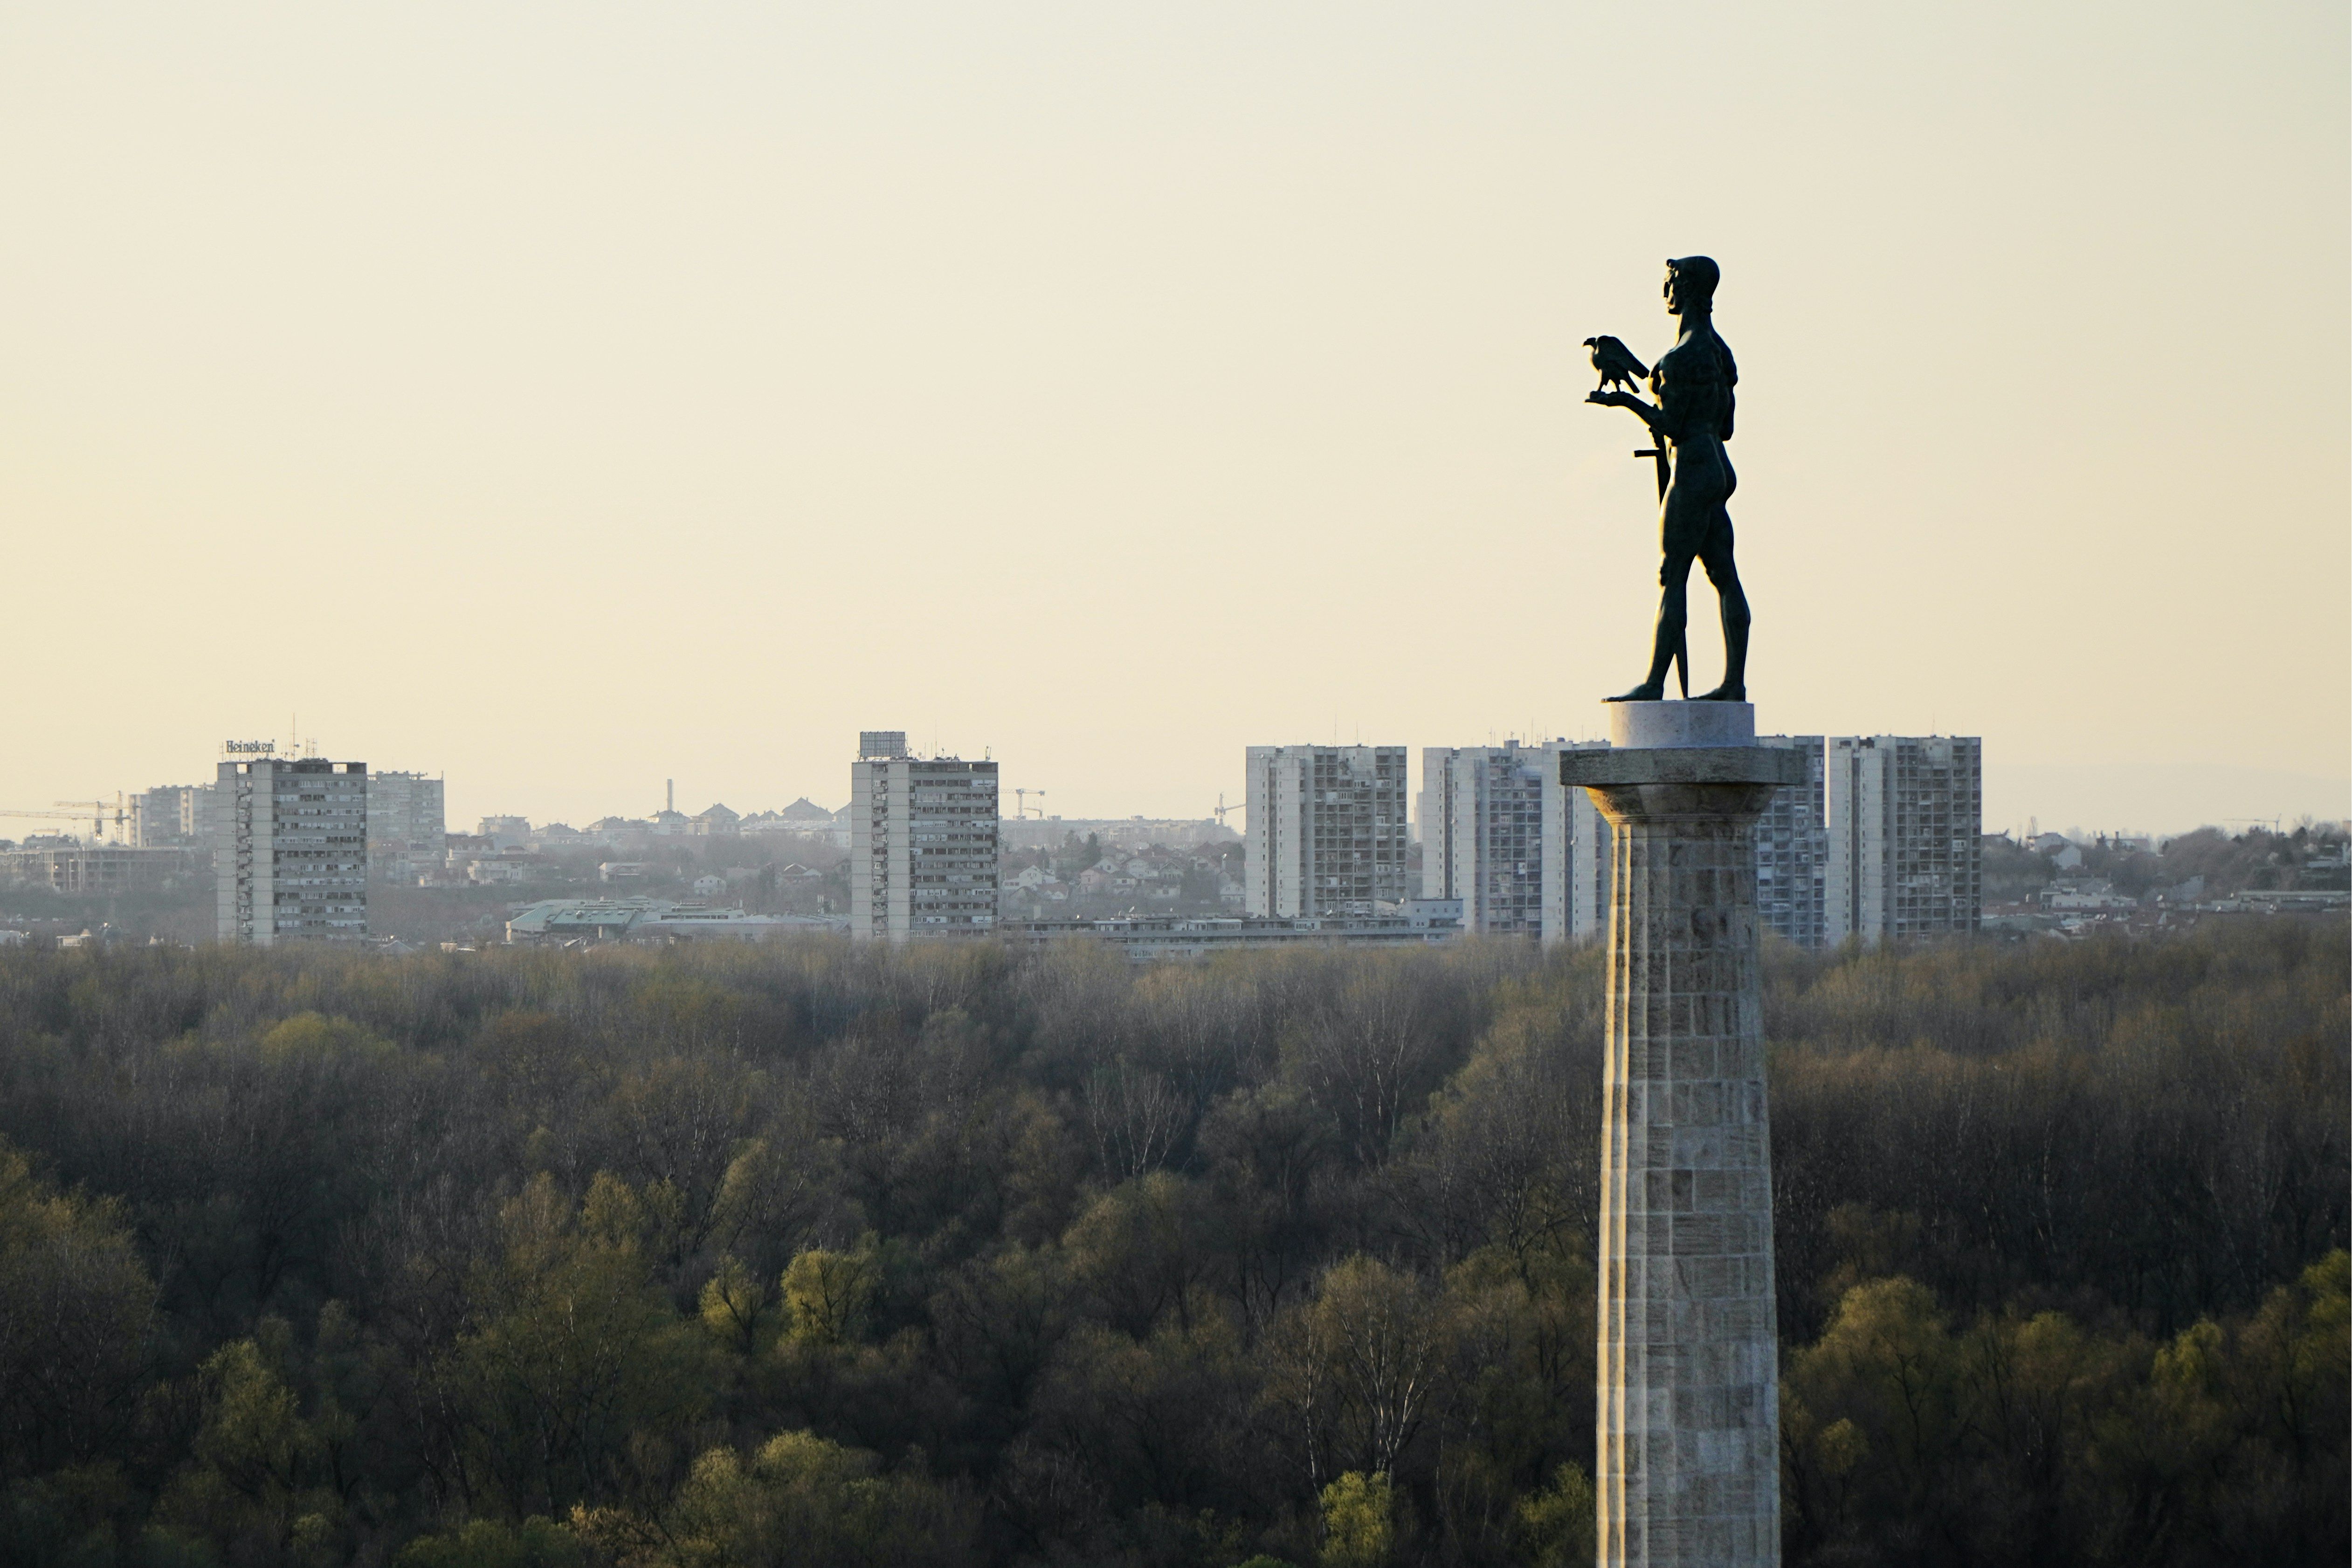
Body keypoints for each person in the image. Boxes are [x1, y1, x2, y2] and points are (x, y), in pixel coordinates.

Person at [1587, 255, 1751, 702]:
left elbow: (1671, 425)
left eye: (1671, 283)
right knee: (1724, 575)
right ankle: (1732, 683)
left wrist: (1626, 404)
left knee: (1672, 574)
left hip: (1692, 466)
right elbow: (1726, 427)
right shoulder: (1719, 353)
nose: (1666, 292)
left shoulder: (1681, 357)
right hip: (1717, 464)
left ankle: (1654, 683)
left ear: (1689, 289)